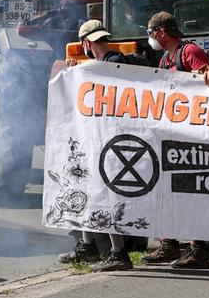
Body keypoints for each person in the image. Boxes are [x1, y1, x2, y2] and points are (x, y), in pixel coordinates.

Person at [60, 20, 146, 272]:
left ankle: (118, 253)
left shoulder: (101, 67)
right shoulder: (118, 62)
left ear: (86, 43)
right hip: (109, 136)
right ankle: (88, 245)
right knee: (86, 187)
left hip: (106, 138)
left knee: (104, 193)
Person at [141, 11, 209, 269]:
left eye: (151, 32)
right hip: (172, 132)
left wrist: (208, 72)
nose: (150, 38)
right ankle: (169, 243)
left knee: (193, 190)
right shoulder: (166, 58)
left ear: (162, 32)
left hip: (192, 133)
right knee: (166, 189)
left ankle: (199, 249)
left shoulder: (190, 52)